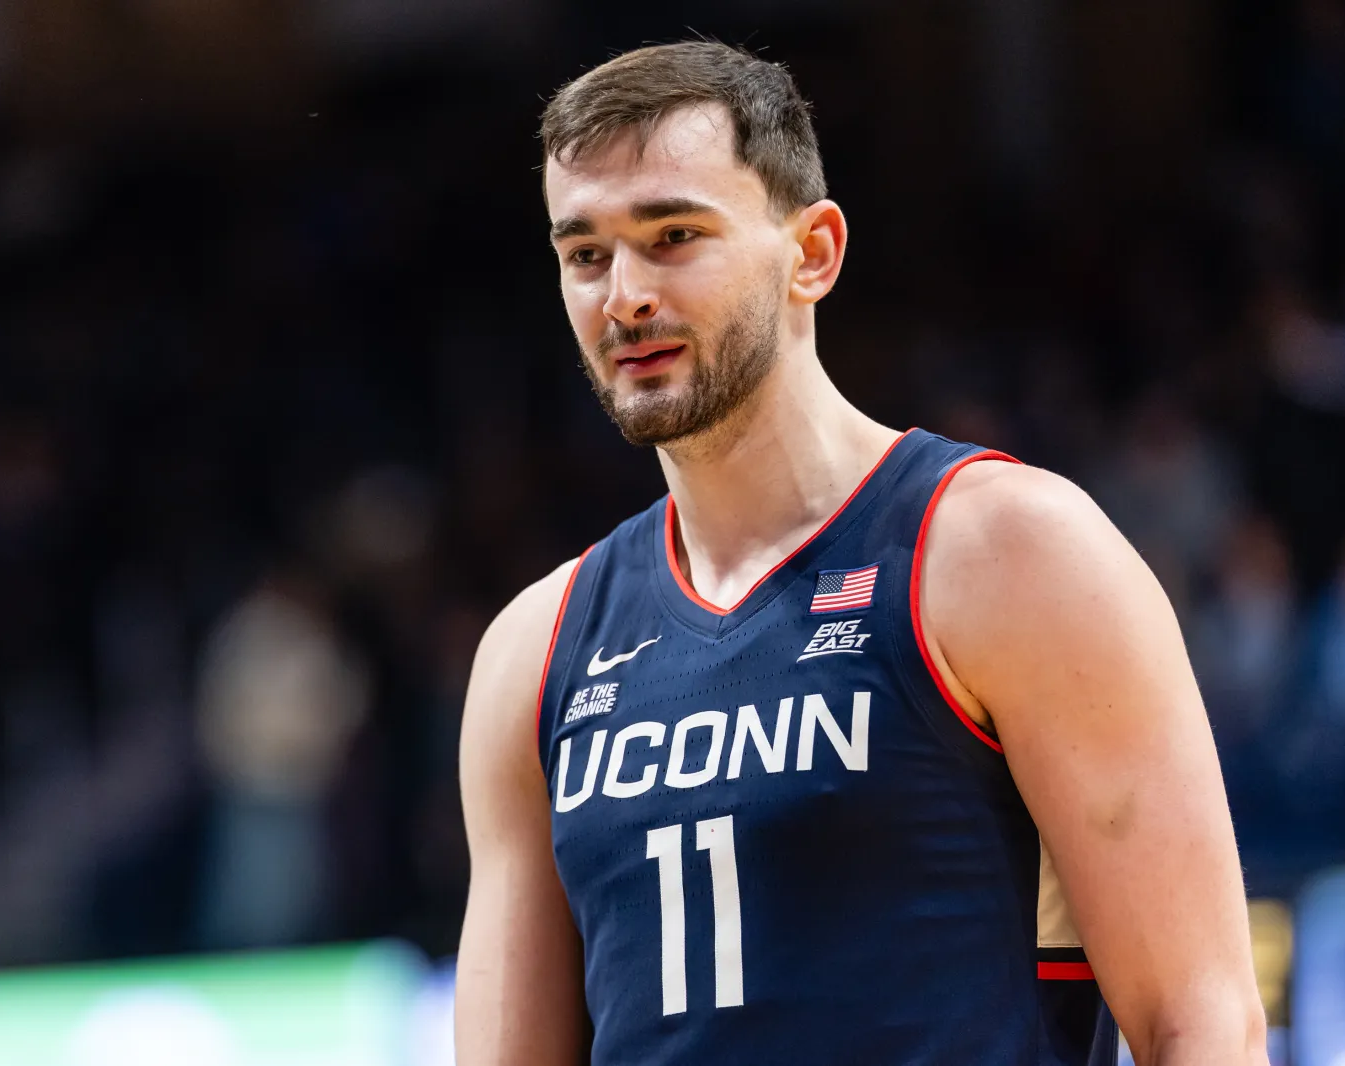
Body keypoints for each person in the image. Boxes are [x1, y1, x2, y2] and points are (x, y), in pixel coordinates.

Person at [455, 41, 1266, 1066]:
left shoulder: (1006, 552)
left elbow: (1202, 1023)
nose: (624, 295)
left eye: (671, 235)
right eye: (586, 254)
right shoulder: (534, 652)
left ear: (814, 251)